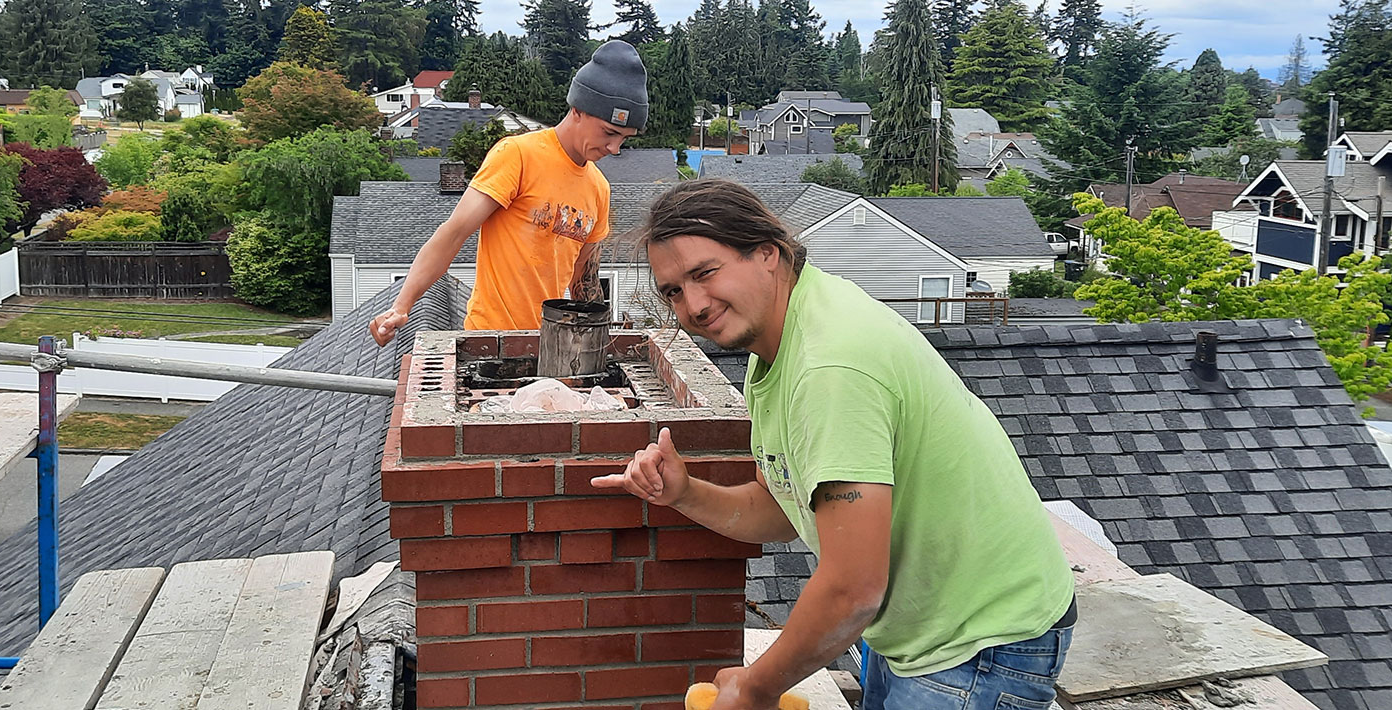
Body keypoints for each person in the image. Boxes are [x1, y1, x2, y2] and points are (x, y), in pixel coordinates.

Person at [594, 180, 1076, 710]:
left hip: (981, 644)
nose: (694, 304)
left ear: (767, 254)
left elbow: (852, 588)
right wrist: (685, 493)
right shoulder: (780, 345)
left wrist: (754, 689)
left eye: (704, 273)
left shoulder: (829, 366)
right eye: (673, 291)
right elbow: (782, 508)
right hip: (921, 630)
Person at [369, 40, 647, 345]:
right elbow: (452, 234)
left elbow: (584, 279)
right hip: (490, 341)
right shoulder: (518, 156)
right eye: (609, 132)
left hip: (548, 346)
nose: (614, 148)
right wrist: (402, 306)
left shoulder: (599, 189)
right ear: (578, 109)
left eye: (624, 138)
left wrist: (598, 343)